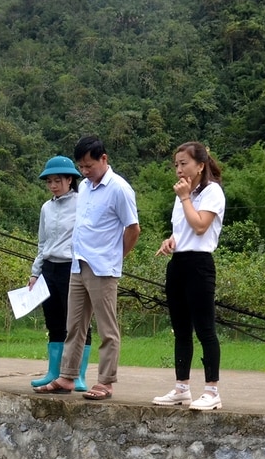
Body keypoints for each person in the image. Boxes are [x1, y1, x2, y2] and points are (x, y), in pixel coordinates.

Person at [34, 136, 140, 400]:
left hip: (103, 267)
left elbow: (133, 229)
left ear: (103, 159)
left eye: (88, 166)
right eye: (81, 167)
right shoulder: (86, 188)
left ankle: (105, 382)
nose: (84, 172)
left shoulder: (119, 188)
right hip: (77, 265)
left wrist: (117, 257)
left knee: (106, 328)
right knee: (74, 325)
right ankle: (67, 377)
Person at [152, 141, 226, 411]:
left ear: (200, 166)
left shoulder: (212, 192)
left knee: (205, 328)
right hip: (179, 262)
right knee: (181, 330)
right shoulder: (181, 194)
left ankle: (212, 390)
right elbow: (182, 230)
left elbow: (200, 227)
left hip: (199, 264)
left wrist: (185, 198)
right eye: (176, 165)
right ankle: (181, 388)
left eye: (184, 164)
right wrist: (170, 241)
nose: (179, 170)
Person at [28, 155, 92, 390]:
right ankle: (53, 372)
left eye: (58, 180)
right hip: (49, 268)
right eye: (49, 182)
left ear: (69, 180)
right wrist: (35, 273)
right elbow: (42, 243)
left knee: (77, 322)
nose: (53, 185)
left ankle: (78, 375)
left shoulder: (81, 202)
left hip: (72, 267)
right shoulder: (47, 207)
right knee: (54, 321)